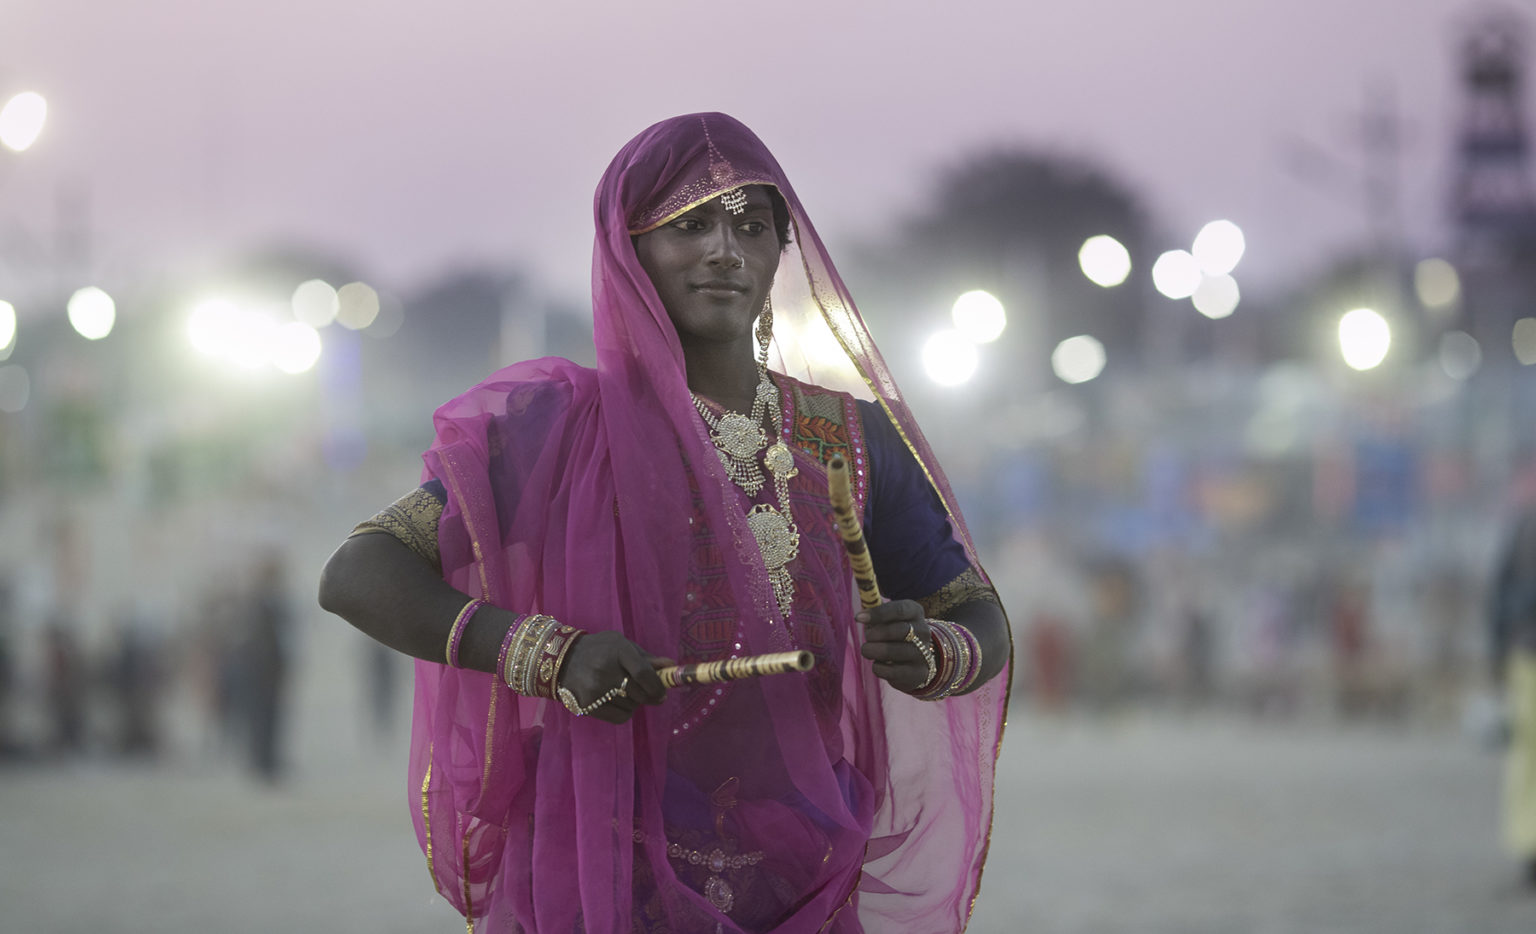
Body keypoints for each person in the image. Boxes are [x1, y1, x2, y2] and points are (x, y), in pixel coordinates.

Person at [319, 113, 1010, 933]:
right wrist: (547, 653)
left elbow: (976, 612)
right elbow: (359, 573)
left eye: (753, 226)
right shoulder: (557, 429)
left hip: (805, 860)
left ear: (782, 252)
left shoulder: (851, 437)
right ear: (628, 249)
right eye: (690, 225)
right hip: (600, 854)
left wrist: (934, 649)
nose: (725, 249)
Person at [1489, 509, 1536, 889]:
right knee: (1527, 753)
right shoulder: (1523, 525)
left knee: (1527, 756)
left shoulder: (1523, 526)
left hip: (1526, 653)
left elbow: (1500, 593)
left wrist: (1497, 653)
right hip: (1528, 654)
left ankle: (1529, 844)